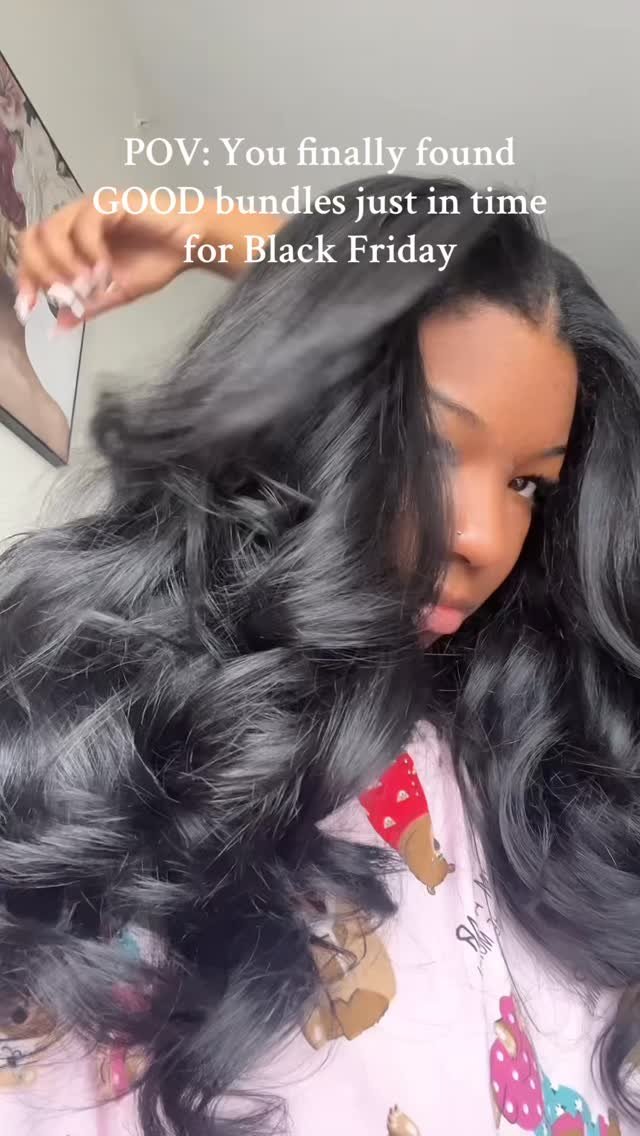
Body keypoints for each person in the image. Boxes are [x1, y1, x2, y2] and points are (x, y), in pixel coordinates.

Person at [0, 176, 638, 1136]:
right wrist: (230, 241)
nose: (486, 537)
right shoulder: (83, 747)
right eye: (430, 444)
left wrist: (220, 234)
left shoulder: (506, 765)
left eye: (528, 486)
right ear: (298, 420)